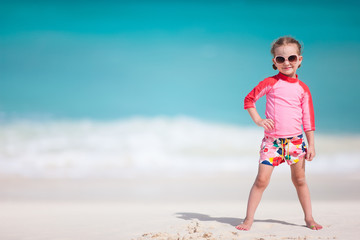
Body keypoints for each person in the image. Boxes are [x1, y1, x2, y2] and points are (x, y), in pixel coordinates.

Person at [236, 36, 322, 231]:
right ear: (274, 62)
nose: (286, 63)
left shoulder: (303, 89)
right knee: (261, 181)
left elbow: (308, 120)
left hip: (295, 143)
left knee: (299, 180)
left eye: (291, 58)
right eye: (280, 59)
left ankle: (309, 218)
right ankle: (249, 219)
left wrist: (311, 145)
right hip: (272, 143)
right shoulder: (270, 82)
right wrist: (258, 120)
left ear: (299, 60)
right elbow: (249, 100)